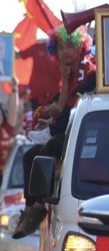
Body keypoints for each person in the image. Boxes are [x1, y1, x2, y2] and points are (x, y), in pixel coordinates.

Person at [12, 24, 96, 239]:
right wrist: (52, 106)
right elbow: (61, 105)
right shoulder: (69, 72)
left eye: (70, 46)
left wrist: (54, 118)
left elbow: (70, 107)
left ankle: (38, 205)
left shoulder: (88, 70)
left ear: (81, 47)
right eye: (60, 48)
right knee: (31, 155)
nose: (65, 52)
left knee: (51, 146)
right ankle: (33, 208)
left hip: (83, 139)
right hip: (70, 131)